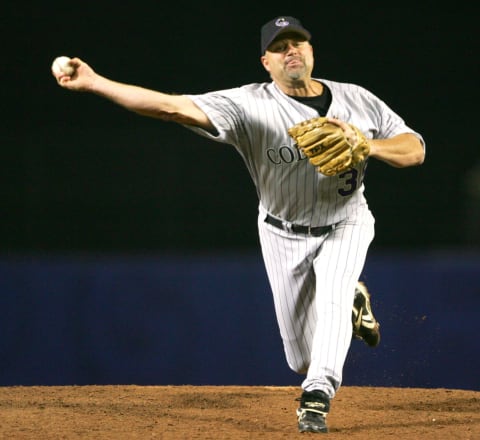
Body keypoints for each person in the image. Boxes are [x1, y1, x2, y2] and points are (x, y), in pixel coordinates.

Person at [52, 15, 425, 434]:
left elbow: (414, 148)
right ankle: (352, 307)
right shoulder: (249, 104)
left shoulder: (356, 99)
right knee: (301, 356)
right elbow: (172, 108)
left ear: (312, 51)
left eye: (298, 43)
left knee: (330, 306)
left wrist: (367, 144)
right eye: (280, 47)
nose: (292, 51)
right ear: (266, 61)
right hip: (282, 231)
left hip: (347, 222)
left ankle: (316, 396)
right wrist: (97, 82)